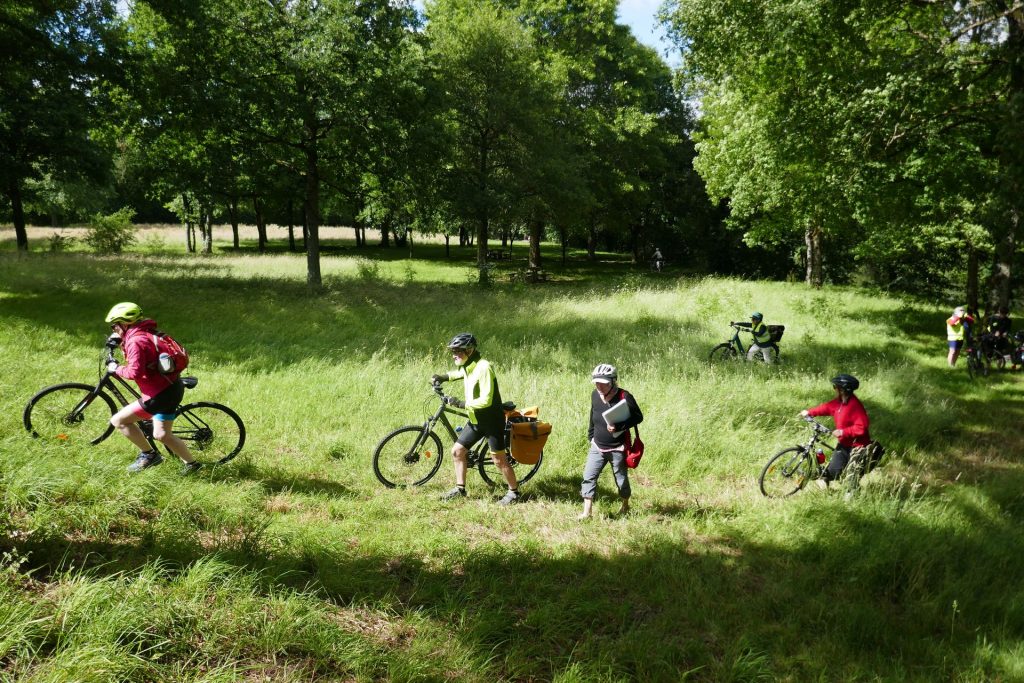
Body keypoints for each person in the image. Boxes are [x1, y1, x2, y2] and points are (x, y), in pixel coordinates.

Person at [104, 302, 201, 474]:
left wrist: (115, 368)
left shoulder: (135, 341)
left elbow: (134, 372)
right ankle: (193, 465)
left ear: (125, 324)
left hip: (159, 395)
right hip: (173, 387)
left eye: (115, 325)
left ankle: (149, 455)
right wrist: (120, 339)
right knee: (162, 435)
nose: (114, 329)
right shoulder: (147, 332)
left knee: (119, 421)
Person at [431, 333, 520, 505]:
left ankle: (514, 492)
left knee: (499, 460)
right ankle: (460, 489)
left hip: (491, 421)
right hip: (476, 420)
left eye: (457, 351)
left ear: (469, 350)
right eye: (453, 351)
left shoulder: (484, 367)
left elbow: (487, 400)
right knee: (457, 451)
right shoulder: (469, 365)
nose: (454, 355)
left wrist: (461, 403)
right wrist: (443, 377)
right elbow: (460, 374)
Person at [579, 364, 643, 520]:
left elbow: (638, 417)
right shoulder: (595, 394)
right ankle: (587, 513)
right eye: (597, 383)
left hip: (617, 448)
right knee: (588, 476)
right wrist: (591, 435)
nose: (599, 387)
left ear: (613, 381)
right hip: (597, 446)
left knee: (621, 480)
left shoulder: (625, 396)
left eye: (604, 383)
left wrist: (619, 427)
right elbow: (593, 414)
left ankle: (625, 505)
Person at [800, 374, 870, 488]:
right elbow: (826, 407)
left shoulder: (855, 406)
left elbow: (862, 427)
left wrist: (843, 432)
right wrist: (810, 412)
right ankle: (826, 482)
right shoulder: (839, 402)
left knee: (851, 478)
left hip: (857, 447)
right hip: (844, 445)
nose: (834, 389)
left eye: (835, 387)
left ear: (842, 390)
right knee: (832, 472)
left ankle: (852, 491)